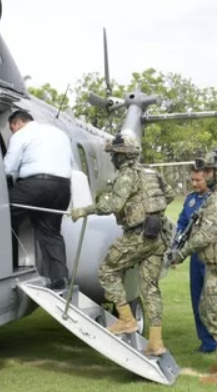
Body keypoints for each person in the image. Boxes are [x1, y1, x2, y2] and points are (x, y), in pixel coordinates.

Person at [71, 130, 174, 356]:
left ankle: (126, 319)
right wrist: (147, 207)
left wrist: (84, 210)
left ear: (122, 155)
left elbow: (113, 205)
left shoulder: (126, 175)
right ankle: (155, 342)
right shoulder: (151, 172)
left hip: (138, 235)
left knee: (107, 271)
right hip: (157, 235)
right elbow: (170, 195)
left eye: (114, 154)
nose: (112, 159)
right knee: (150, 289)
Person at [167, 147, 217, 383]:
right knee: (209, 309)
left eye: (210, 170)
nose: (207, 173)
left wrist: (179, 255)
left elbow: (203, 236)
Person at [4, 110, 73, 291]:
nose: (13, 132)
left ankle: (2, 263)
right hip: (63, 188)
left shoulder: (21, 134)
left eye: (12, 128)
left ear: (17, 123)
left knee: (0, 212)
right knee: (51, 233)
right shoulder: (59, 134)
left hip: (36, 185)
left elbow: (8, 168)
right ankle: (60, 279)